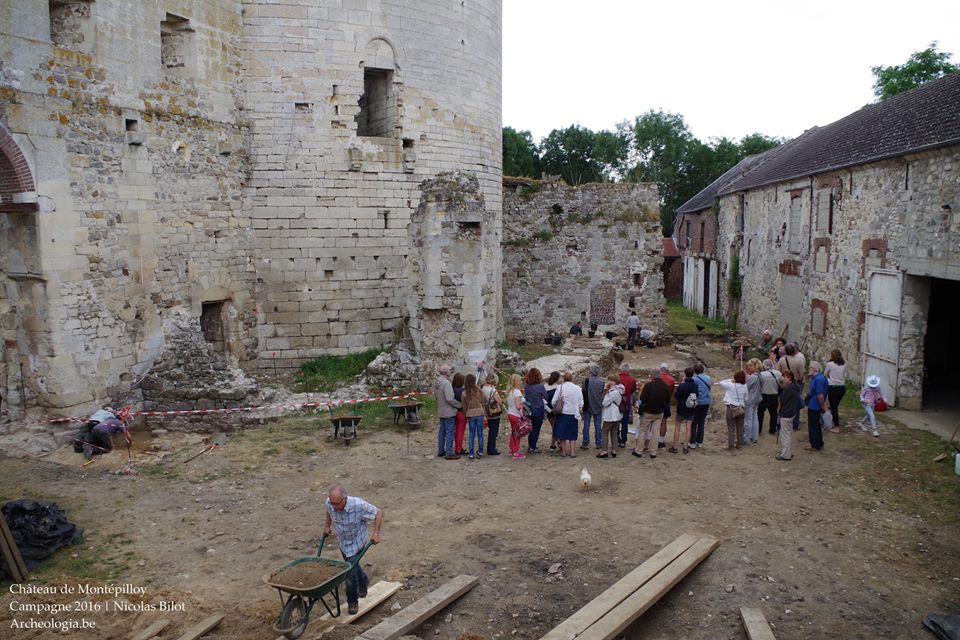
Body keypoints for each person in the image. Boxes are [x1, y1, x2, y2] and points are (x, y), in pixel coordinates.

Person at [323, 485, 382, 615]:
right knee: (352, 566)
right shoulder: (330, 503)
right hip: (343, 541)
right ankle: (364, 580)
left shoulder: (358, 505)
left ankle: (352, 602)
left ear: (344, 499)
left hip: (357, 541)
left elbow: (378, 512)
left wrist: (376, 533)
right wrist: (327, 526)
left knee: (349, 573)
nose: (333, 506)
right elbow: (329, 510)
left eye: (336, 504)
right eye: (331, 503)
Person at [633, 368, 671, 458]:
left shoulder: (649, 385)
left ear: (652, 375)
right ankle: (653, 451)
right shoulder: (666, 386)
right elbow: (668, 399)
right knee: (655, 432)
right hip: (659, 412)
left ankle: (639, 450)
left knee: (642, 431)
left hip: (648, 411)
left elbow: (642, 398)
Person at [552, 371, 584, 458]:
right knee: (572, 433)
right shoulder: (577, 388)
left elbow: (554, 401)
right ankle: (573, 452)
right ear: (572, 378)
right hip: (573, 413)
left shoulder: (560, 387)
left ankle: (564, 452)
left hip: (562, 413)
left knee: (562, 433)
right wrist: (578, 410)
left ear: (564, 378)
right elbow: (581, 402)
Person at [435, 365, 461, 460]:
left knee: (442, 431)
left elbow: (436, 396)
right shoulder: (446, 383)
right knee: (450, 431)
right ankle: (449, 452)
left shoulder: (437, 382)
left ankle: (441, 450)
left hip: (441, 409)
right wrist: (459, 405)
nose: (451, 371)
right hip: (448, 411)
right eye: (450, 370)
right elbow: (450, 398)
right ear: (446, 372)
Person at [777, 343, 805, 430]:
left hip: (785, 383)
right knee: (796, 403)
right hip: (795, 383)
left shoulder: (782, 360)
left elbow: (778, 372)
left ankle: (781, 422)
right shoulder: (799, 361)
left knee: (783, 402)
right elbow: (801, 375)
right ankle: (795, 424)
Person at [717, 370, 747, 450]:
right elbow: (747, 398)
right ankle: (740, 444)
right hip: (741, 408)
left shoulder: (730, 385)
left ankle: (731, 445)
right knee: (740, 426)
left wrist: (730, 380)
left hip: (731, 408)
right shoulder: (745, 386)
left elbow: (721, 382)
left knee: (731, 427)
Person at [776, 369, 801, 460]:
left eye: (785, 377)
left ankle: (785, 455)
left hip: (786, 413)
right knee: (789, 433)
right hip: (792, 412)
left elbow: (782, 400)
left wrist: (782, 391)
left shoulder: (789, 389)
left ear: (789, 378)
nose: (784, 379)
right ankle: (788, 452)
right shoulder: (795, 386)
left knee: (785, 434)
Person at [672, 367, 697, 454]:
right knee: (688, 427)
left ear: (685, 374)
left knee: (677, 427)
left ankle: (675, 446)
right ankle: (685, 447)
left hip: (682, 407)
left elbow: (677, 395)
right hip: (691, 408)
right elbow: (696, 395)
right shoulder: (695, 385)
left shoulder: (682, 385)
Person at [598, 375, 623, 459]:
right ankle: (614, 450)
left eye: (610, 380)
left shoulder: (614, 392)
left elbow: (604, 403)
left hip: (611, 415)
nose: (609, 382)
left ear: (614, 382)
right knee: (614, 433)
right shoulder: (619, 390)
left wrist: (606, 392)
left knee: (604, 432)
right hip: (617, 415)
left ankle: (604, 451)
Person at [805, 361, 829, 451]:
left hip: (814, 406)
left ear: (814, 369)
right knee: (817, 425)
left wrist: (822, 405)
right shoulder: (820, 377)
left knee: (813, 426)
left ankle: (815, 445)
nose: (809, 369)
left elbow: (820, 395)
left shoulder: (818, 379)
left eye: (810, 368)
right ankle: (819, 442)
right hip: (815, 405)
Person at [524, 368, 548, 453]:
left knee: (531, 428)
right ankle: (532, 447)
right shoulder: (540, 386)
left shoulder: (526, 386)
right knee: (536, 429)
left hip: (529, 409)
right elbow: (546, 397)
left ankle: (530, 445)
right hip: (538, 409)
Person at [462, 374, 485, 459]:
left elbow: (463, 405)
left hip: (470, 413)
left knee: (471, 434)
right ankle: (480, 452)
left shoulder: (464, 393)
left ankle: (471, 453)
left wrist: (466, 413)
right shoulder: (479, 390)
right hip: (480, 413)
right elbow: (483, 400)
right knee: (480, 433)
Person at [581, 365, 604, 450]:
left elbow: (583, 392)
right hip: (597, 405)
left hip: (588, 405)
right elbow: (601, 393)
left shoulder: (586, 381)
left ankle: (585, 443)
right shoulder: (602, 382)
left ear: (591, 372)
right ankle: (598, 443)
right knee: (598, 425)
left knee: (586, 425)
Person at [758, 359, 783, 435]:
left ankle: (759, 429)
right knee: (773, 413)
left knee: (760, 413)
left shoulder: (762, 374)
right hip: (774, 395)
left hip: (764, 396)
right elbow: (782, 382)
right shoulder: (778, 373)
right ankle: (772, 430)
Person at [690, 363, 712, 450]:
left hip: (697, 402)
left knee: (694, 422)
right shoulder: (708, 378)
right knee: (702, 422)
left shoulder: (694, 379)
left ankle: (692, 442)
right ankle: (700, 442)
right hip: (706, 401)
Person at [824, 349, 847, 432]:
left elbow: (825, 374)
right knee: (835, 406)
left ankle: (836, 426)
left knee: (834, 407)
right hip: (842, 387)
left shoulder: (829, 364)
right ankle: (833, 420)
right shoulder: (844, 364)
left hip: (832, 387)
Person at [505, 373, 526, 459]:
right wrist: (523, 405)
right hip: (516, 414)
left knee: (514, 432)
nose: (521, 382)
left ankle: (511, 449)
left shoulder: (510, 391)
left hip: (510, 413)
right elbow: (518, 406)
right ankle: (515, 452)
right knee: (518, 433)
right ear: (517, 381)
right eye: (520, 380)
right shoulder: (517, 392)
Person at [743, 359, 763, 444]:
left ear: (756, 366)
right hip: (757, 398)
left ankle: (746, 438)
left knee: (748, 419)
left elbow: (745, 386)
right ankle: (754, 437)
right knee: (755, 418)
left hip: (751, 399)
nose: (749, 368)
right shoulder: (760, 375)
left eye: (751, 366)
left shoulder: (753, 377)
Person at [617, 363, 638, 448]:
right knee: (624, 423)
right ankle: (623, 440)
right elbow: (633, 391)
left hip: (617, 403)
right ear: (628, 370)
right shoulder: (632, 380)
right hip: (626, 404)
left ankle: (617, 439)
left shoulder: (617, 378)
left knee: (616, 423)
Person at [656, 363, 676, 450]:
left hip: (655, 402)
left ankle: (653, 439)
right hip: (665, 403)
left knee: (654, 422)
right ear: (667, 370)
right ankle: (661, 441)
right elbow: (671, 392)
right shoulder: (671, 380)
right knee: (664, 422)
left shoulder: (655, 378)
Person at [482, 373, 502, 455]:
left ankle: (490, 447)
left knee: (491, 430)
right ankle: (491, 449)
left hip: (486, 410)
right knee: (494, 431)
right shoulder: (492, 390)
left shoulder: (483, 388)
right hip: (494, 411)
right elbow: (499, 401)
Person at [544, 371, 562, 451]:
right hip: (556, 409)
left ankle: (556, 442)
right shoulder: (558, 387)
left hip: (548, 409)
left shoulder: (545, 386)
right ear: (557, 378)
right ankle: (554, 444)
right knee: (556, 427)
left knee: (554, 427)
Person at [452, 372, 467, 455]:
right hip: (461, 412)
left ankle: (457, 447)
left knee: (456, 431)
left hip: (454, 412)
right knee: (460, 432)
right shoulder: (463, 391)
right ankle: (458, 449)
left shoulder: (452, 390)